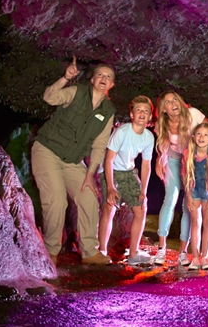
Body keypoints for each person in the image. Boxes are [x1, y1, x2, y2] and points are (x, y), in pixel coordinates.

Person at [30, 57, 116, 265]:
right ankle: (51, 250)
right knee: (57, 199)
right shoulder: (75, 92)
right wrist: (64, 79)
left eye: (108, 77)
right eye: (100, 75)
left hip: (73, 161)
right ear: (93, 80)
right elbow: (49, 98)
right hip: (47, 151)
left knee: (88, 197)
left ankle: (90, 251)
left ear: (112, 85)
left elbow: (99, 145)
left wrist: (90, 174)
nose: (104, 78)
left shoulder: (108, 112)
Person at [152, 91, 208, 265]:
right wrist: (160, 159)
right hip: (175, 160)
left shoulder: (193, 114)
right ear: (163, 109)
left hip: (193, 162)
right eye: (167, 102)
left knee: (189, 205)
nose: (173, 103)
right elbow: (162, 145)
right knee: (171, 198)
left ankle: (183, 251)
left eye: (175, 99)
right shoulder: (162, 124)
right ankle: (161, 248)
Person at [97, 96, 156, 266]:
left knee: (141, 208)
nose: (142, 113)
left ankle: (134, 252)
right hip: (111, 170)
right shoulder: (122, 131)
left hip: (129, 172)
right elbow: (108, 159)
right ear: (131, 114)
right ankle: (102, 250)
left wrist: (143, 190)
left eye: (146, 111)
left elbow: (146, 165)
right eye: (138, 110)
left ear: (150, 117)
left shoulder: (148, 137)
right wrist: (110, 188)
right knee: (110, 206)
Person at [182, 121, 208, 270]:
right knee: (195, 222)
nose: (201, 137)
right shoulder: (188, 153)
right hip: (194, 189)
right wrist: (189, 196)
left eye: (206, 134)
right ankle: (195, 257)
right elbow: (185, 175)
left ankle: (205, 256)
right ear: (193, 136)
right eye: (199, 134)